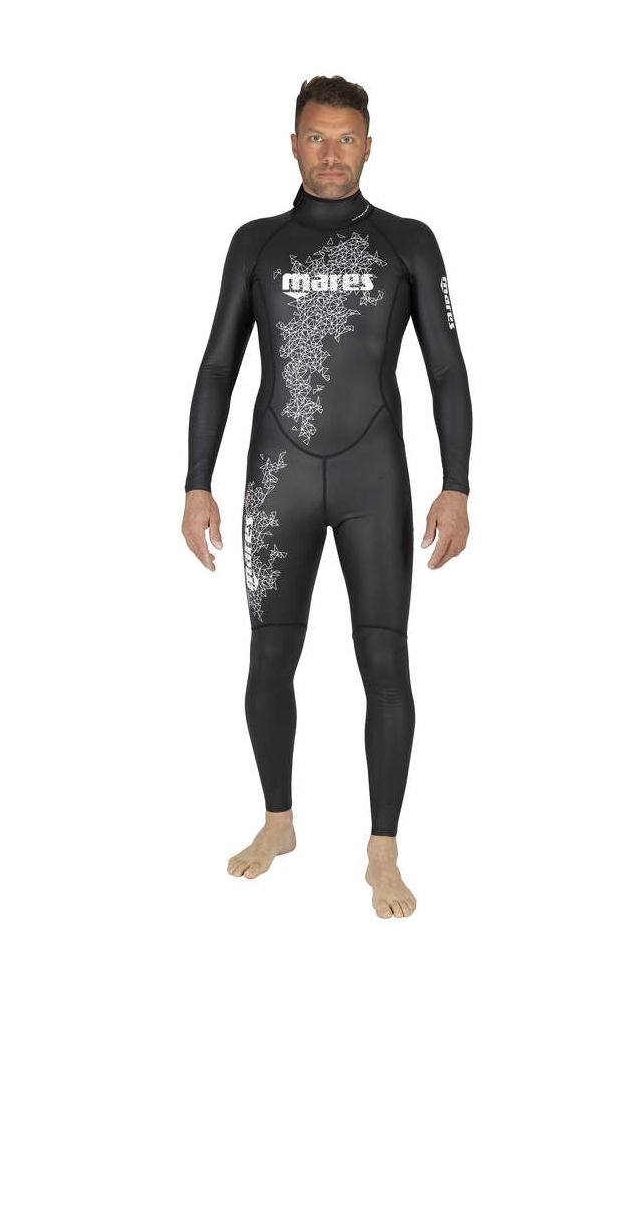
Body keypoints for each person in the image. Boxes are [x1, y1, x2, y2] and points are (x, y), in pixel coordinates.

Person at [182, 75, 472, 919]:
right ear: (294, 144)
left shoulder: (409, 242)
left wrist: (456, 484)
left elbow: (447, 370)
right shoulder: (256, 243)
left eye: (347, 138)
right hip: (276, 479)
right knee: (269, 659)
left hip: (374, 479)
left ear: (369, 146)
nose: (332, 153)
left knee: (386, 663)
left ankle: (383, 852)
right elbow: (218, 365)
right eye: (317, 136)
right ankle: (278, 822)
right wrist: (196, 481)